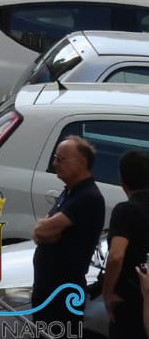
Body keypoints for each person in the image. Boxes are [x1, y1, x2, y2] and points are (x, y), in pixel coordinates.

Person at [32, 136, 105, 328]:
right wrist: (49, 232)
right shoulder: (70, 192)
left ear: (82, 162)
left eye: (61, 159)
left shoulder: (88, 196)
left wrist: (48, 231)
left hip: (63, 293)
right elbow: (39, 232)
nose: (55, 164)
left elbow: (43, 229)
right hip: (48, 289)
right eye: (55, 158)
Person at [102, 148, 149, 339]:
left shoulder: (126, 211)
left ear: (122, 179)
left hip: (131, 298)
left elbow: (116, 256)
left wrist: (107, 293)